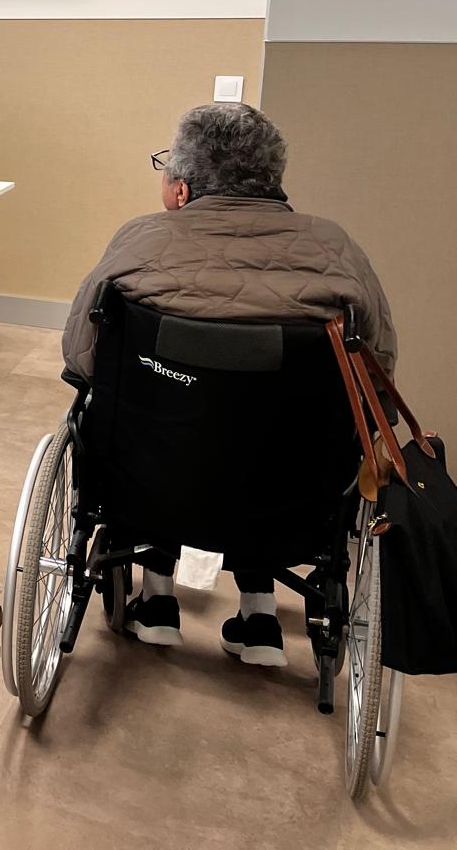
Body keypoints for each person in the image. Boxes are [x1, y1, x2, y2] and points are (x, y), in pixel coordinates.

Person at [62, 103, 397, 667]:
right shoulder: (334, 249)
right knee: (259, 435)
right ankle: (260, 615)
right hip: (292, 494)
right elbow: (379, 373)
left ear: (182, 189)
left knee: (170, 422)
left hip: (148, 483)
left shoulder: (139, 241)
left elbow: (81, 359)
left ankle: (158, 601)